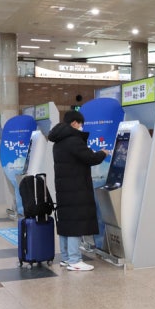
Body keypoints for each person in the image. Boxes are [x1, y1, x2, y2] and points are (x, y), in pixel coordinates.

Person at [48, 110, 109, 271]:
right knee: (75, 223)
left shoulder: (58, 142)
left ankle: (66, 258)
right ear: (74, 123)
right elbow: (90, 158)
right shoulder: (73, 140)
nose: (81, 127)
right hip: (76, 188)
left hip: (64, 188)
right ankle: (75, 260)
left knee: (66, 223)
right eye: (80, 124)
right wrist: (103, 153)